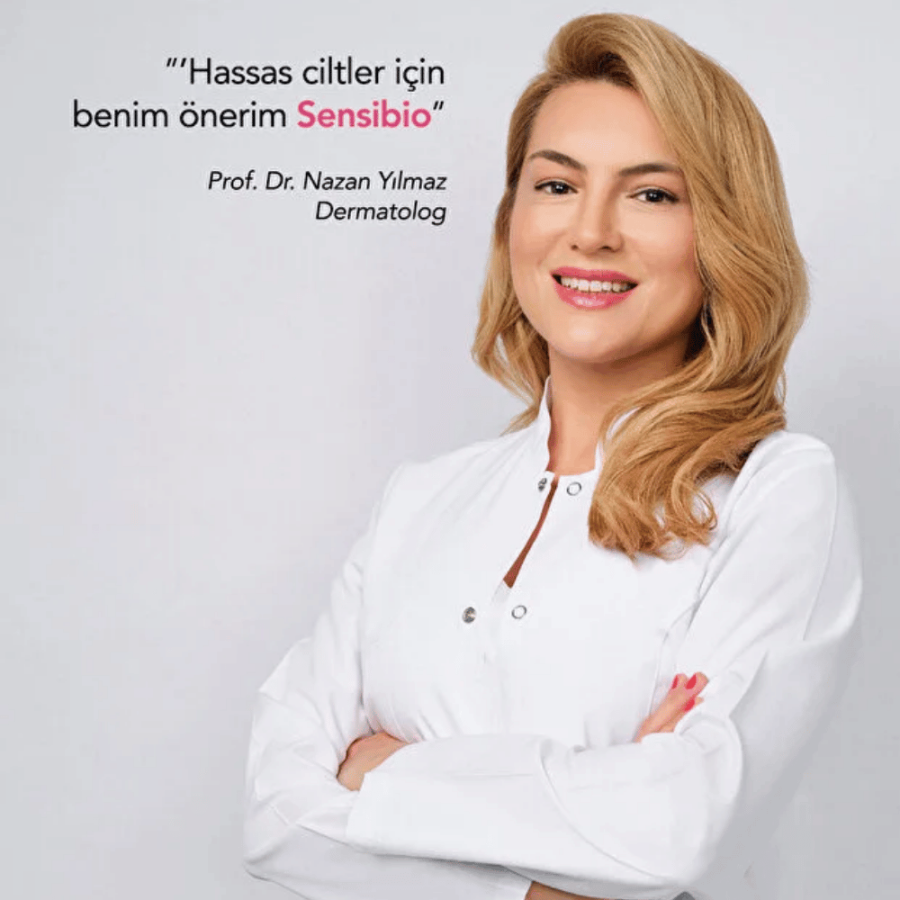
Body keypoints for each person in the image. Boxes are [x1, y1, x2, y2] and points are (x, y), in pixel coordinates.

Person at [243, 13, 862, 900]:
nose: (591, 232)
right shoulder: (419, 500)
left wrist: (384, 771)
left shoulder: (776, 491)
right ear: (512, 220)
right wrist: (557, 878)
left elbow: (684, 827)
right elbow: (274, 818)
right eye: (557, 184)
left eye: (653, 195)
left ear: (725, 233)